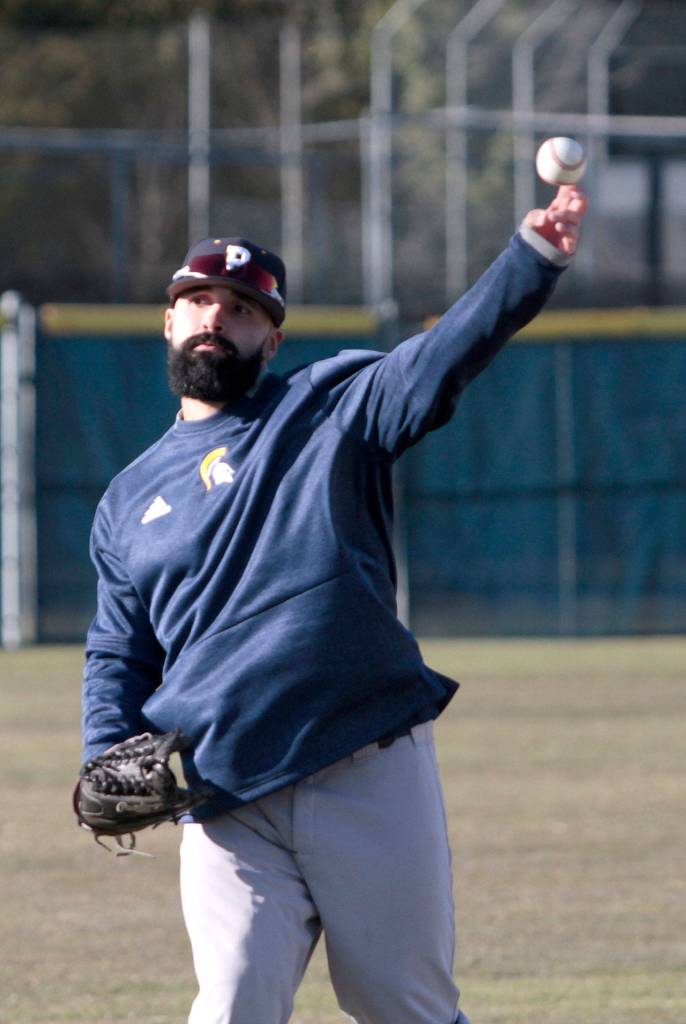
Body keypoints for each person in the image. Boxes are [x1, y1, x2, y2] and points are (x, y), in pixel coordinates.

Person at [81, 185, 587, 1024]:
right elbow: (118, 650)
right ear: (168, 322)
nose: (217, 317)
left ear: (272, 338)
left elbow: (444, 357)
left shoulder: (332, 408)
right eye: (198, 300)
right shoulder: (127, 498)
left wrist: (530, 262)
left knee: (404, 1008)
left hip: (364, 764)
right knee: (233, 1007)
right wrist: (102, 752)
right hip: (223, 789)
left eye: (242, 308)